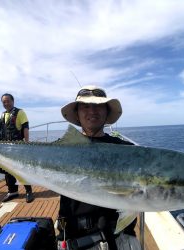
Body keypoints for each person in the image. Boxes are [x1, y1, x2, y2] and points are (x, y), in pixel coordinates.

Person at [57, 85, 141, 250]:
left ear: (106, 111)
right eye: (85, 106)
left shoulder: (127, 150)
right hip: (73, 240)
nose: (92, 111)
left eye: (98, 106)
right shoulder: (59, 150)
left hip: (120, 240)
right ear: (77, 114)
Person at [0, 93, 34, 203]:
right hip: (5, 147)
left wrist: (26, 142)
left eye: (8, 101)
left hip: (18, 146)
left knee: (22, 170)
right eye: (4, 102)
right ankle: (12, 191)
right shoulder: (2, 115)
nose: (6, 103)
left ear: (13, 101)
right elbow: (1, 130)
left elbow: (25, 127)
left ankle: (28, 191)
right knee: (7, 170)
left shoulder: (20, 112)